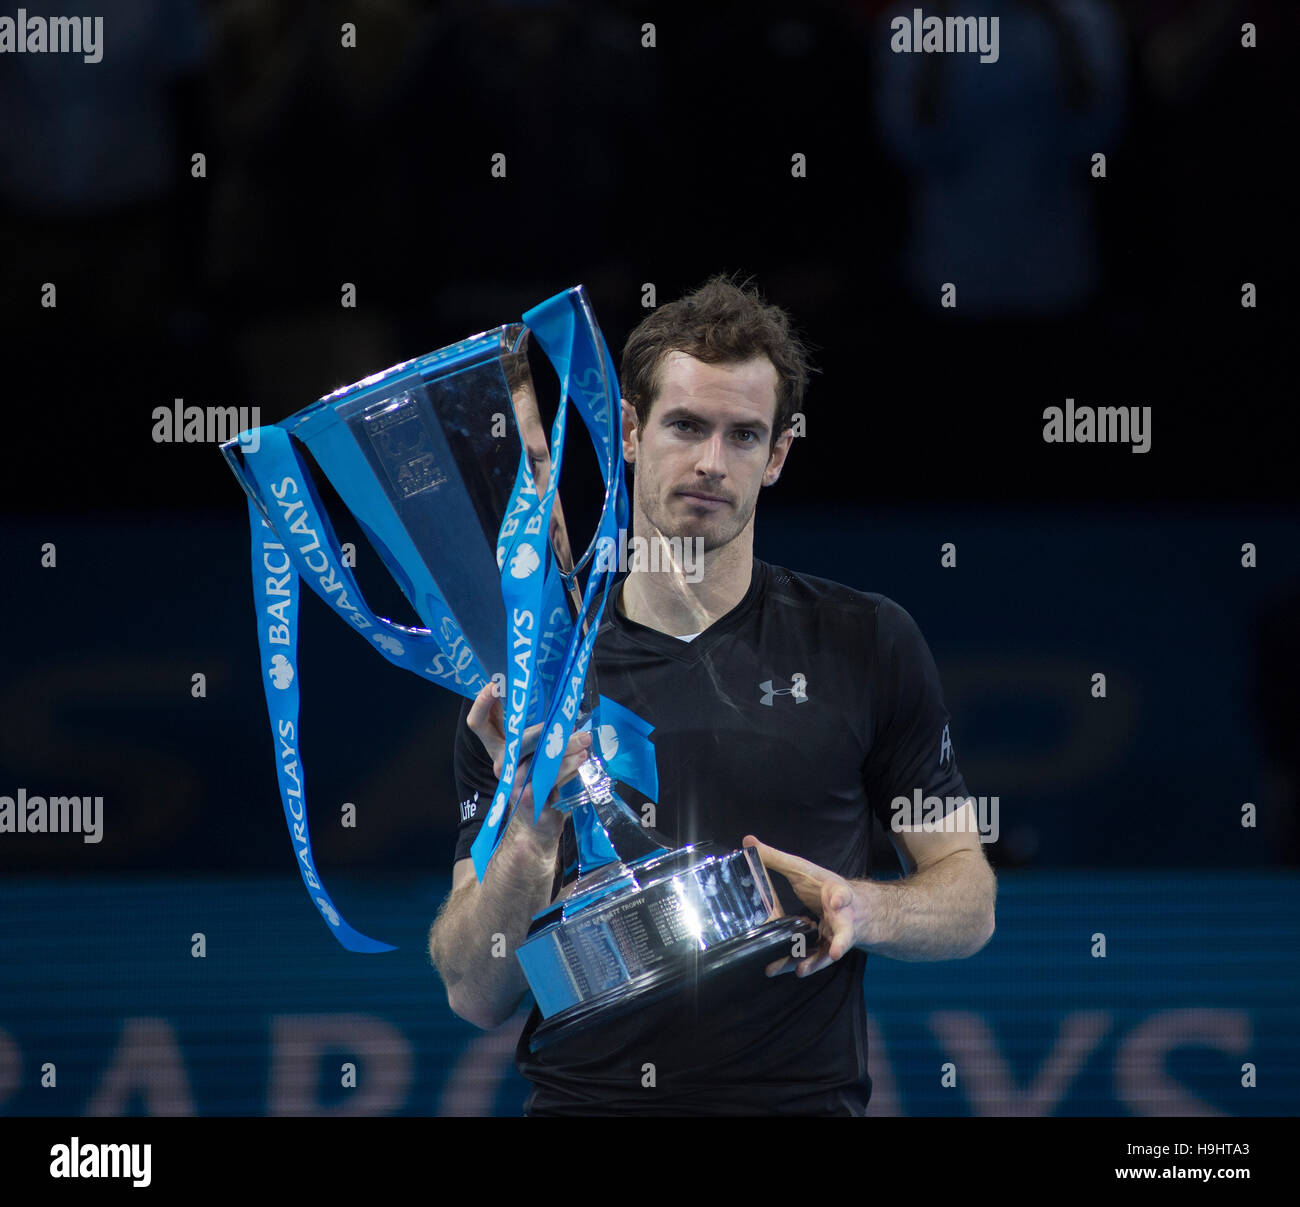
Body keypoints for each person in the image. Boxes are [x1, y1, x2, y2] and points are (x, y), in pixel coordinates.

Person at [429, 274, 996, 1116]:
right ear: (628, 430)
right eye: (686, 426)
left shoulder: (867, 641)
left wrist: (860, 905)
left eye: (743, 436)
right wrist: (527, 828)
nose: (710, 462)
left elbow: (968, 895)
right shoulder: (534, 677)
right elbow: (476, 988)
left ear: (778, 454)